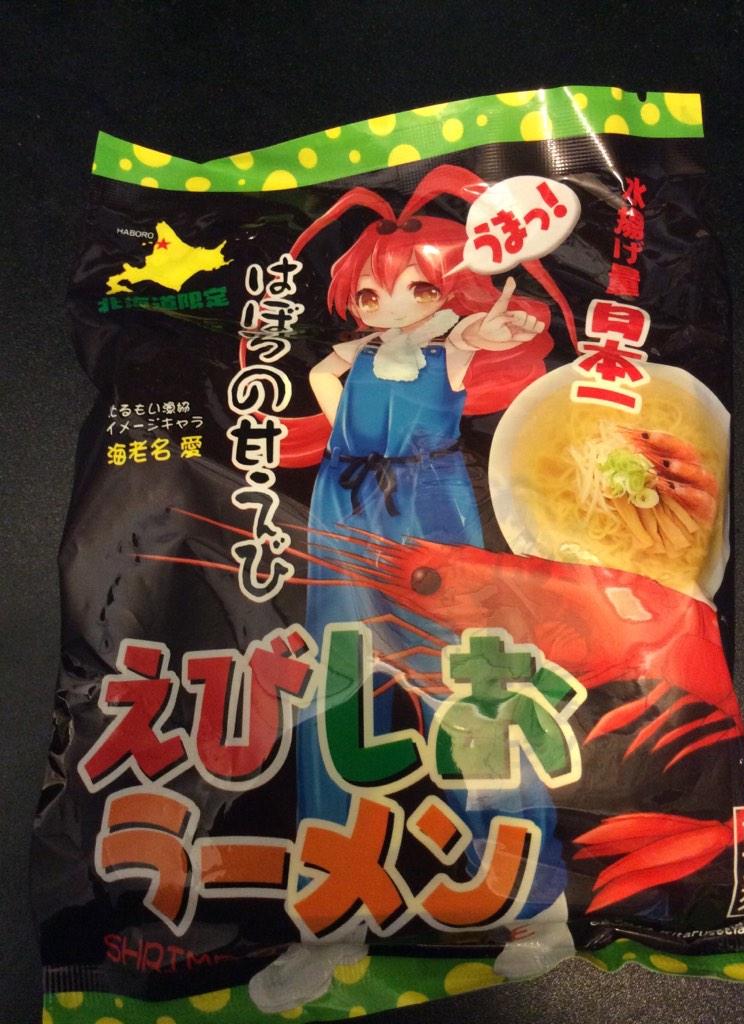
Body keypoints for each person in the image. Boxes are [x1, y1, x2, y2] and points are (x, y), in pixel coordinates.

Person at [249, 166, 578, 1012]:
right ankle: (330, 927)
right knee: (336, 695)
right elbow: (328, 385)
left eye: (417, 287)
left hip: (431, 507)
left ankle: (537, 909)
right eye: (371, 293)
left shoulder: (452, 349)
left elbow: (476, 339)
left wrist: (486, 324)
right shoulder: (346, 363)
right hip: (345, 504)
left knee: (468, 690)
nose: (390, 305)